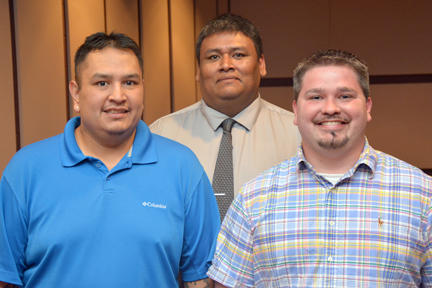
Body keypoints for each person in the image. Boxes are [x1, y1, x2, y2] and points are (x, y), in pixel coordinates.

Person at [0, 32, 220, 288]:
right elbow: (6, 278)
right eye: (102, 83)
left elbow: (201, 279)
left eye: (130, 82)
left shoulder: (183, 168)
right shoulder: (26, 170)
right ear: (76, 94)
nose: (118, 95)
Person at [207, 49, 432, 287]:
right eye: (316, 97)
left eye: (345, 96)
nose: (331, 108)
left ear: (367, 107)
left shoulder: (422, 195)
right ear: (295, 110)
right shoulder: (253, 199)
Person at [150, 14, 301, 219]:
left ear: (261, 64)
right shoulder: (161, 134)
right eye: (213, 57)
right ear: (198, 70)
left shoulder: (298, 133)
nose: (226, 65)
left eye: (238, 55)